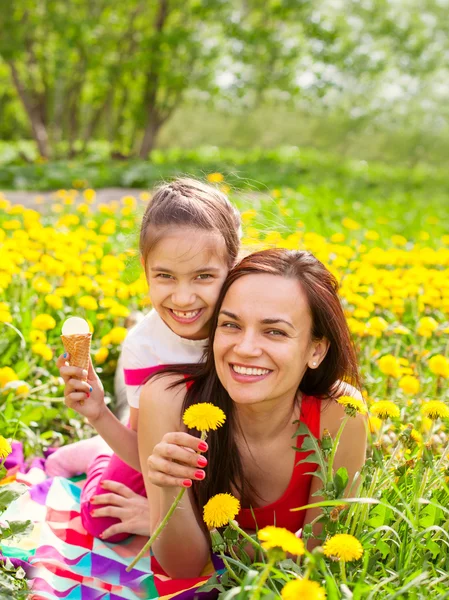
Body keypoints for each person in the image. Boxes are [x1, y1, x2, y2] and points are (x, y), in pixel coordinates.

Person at [137, 248, 367, 578]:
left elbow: (320, 565)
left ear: (316, 349)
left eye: (274, 331)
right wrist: (169, 494)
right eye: (230, 324)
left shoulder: (341, 416)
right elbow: (183, 569)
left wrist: (231, 547)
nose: (245, 348)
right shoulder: (167, 399)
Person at [53, 177, 241, 541]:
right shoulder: (146, 346)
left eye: (203, 276)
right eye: (165, 276)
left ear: (232, 266)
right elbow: (145, 454)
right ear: (145, 268)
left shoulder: (247, 327)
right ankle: (98, 453)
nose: (183, 299)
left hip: (232, 454)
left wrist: (160, 517)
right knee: (103, 519)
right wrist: (98, 415)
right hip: (164, 449)